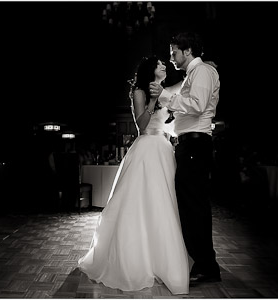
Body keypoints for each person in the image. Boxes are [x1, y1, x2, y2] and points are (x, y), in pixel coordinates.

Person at [78, 56, 189, 294]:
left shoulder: (165, 89)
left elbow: (172, 111)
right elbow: (141, 125)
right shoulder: (140, 92)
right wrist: (152, 100)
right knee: (139, 203)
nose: (164, 65)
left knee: (163, 204)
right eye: (160, 63)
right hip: (146, 148)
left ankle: (161, 259)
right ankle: (136, 258)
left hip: (163, 149)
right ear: (151, 70)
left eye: (165, 63)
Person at [150, 32, 221, 283]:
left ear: (187, 50)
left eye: (173, 51)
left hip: (195, 146)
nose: (171, 57)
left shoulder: (201, 72)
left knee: (194, 208)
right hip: (189, 145)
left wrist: (164, 96)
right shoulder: (194, 73)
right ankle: (202, 263)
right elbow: (189, 112)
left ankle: (206, 266)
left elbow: (198, 104)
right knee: (191, 207)